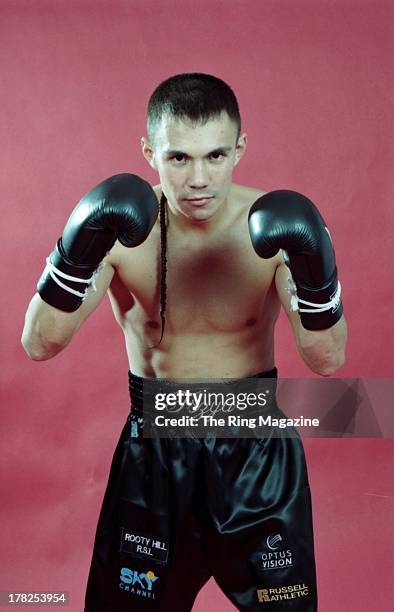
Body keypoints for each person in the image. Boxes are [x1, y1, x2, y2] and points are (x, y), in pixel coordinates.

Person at [22, 73, 347, 611]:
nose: (199, 178)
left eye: (216, 156)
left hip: (254, 450)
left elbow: (329, 360)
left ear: (240, 148)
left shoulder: (277, 225)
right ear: (149, 151)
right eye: (179, 159)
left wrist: (319, 280)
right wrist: (72, 254)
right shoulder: (119, 230)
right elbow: (39, 345)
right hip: (154, 454)